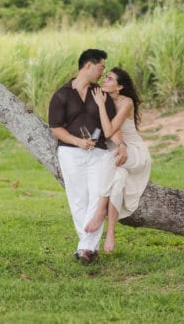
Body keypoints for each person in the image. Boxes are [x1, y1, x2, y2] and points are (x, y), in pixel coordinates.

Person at [48, 48, 127, 265]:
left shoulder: (101, 95)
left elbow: (111, 127)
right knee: (78, 198)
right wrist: (78, 142)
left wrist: (122, 145)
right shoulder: (61, 94)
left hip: (99, 152)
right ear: (88, 65)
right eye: (101, 66)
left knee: (97, 195)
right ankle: (87, 248)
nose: (103, 72)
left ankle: (85, 248)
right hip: (71, 152)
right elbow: (55, 129)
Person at [83, 67, 152, 254]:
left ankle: (100, 211)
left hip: (134, 154)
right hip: (118, 154)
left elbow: (109, 131)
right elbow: (102, 132)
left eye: (110, 79)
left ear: (119, 86)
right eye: (105, 77)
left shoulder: (126, 102)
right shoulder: (103, 99)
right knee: (119, 178)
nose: (105, 81)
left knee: (108, 159)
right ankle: (111, 233)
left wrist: (100, 105)